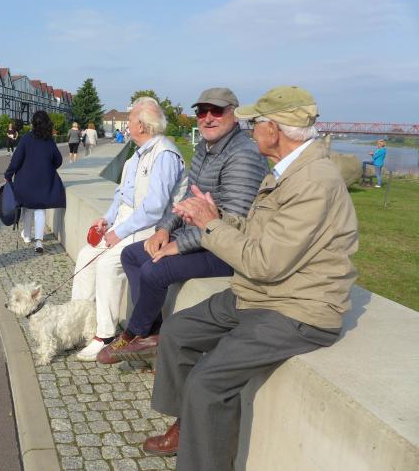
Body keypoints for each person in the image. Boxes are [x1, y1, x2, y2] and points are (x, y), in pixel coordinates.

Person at [143, 86, 358, 471]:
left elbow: (264, 262)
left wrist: (210, 226)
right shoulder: (288, 171)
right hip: (263, 294)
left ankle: (202, 450)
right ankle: (187, 424)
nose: (250, 128)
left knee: (208, 383)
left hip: (298, 309)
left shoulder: (312, 181)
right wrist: (217, 218)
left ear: (274, 130)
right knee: (176, 331)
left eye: (255, 122)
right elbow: (261, 235)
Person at [98, 87, 268, 364]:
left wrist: (179, 246)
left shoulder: (243, 155)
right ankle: (152, 332)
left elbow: (234, 224)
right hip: (201, 237)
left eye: (216, 111)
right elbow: (187, 198)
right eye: (202, 111)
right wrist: (164, 230)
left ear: (234, 115)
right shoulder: (205, 148)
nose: (207, 118)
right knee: (132, 255)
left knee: (155, 269)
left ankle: (135, 334)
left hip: (226, 250)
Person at [71, 98, 187, 361]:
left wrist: (120, 232)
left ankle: (105, 335)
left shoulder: (164, 155)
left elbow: (155, 207)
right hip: (127, 222)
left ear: (143, 126)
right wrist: (107, 220)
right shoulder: (137, 154)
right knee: (86, 256)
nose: (127, 123)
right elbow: (121, 195)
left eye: (131, 119)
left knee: (107, 264)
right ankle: (78, 321)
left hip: (149, 228)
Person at [5, 111, 66, 254]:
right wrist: (47, 167)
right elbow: (58, 160)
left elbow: (16, 159)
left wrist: (8, 175)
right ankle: (39, 241)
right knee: (40, 209)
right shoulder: (49, 140)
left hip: (25, 181)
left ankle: (27, 235)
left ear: (33, 123)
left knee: (27, 207)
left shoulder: (26, 138)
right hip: (44, 180)